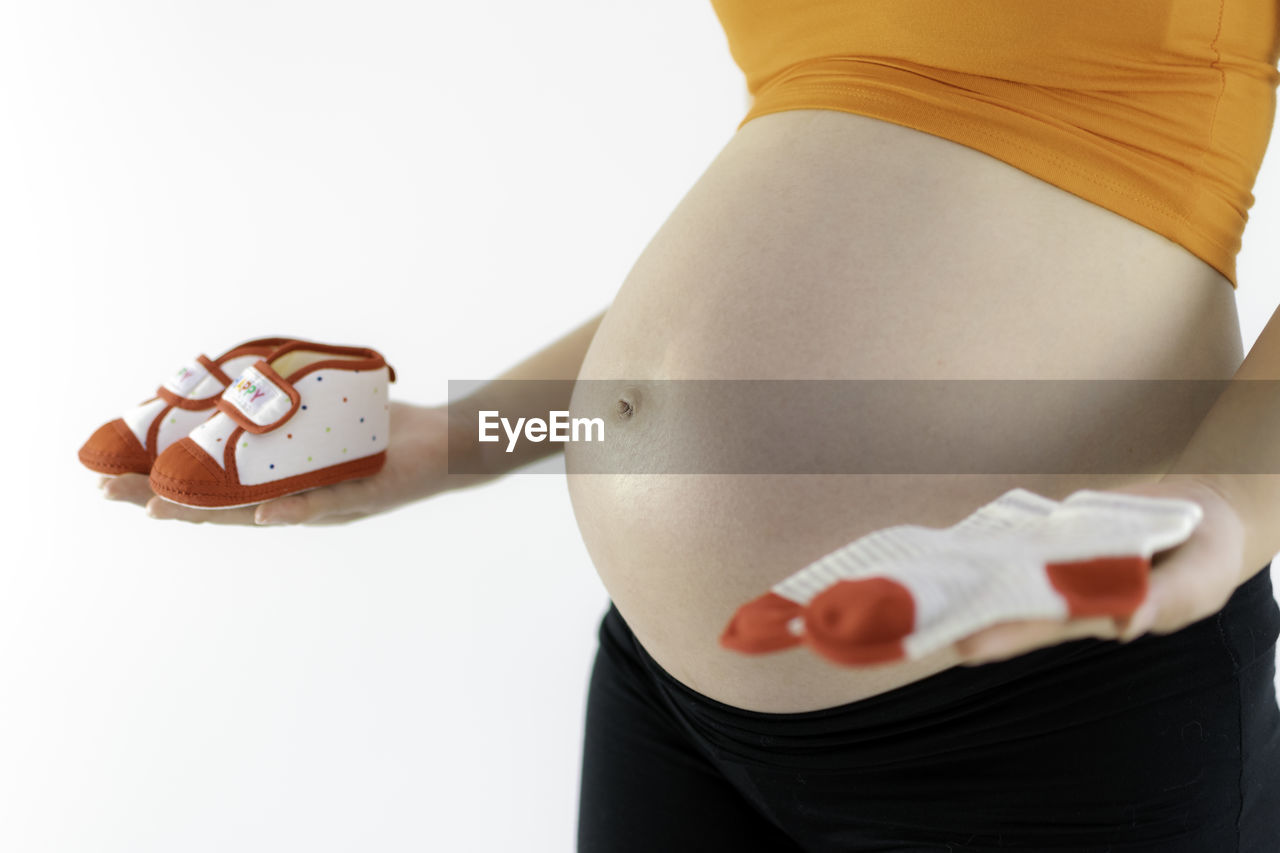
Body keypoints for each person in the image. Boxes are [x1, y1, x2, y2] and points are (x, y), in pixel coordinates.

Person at [101, 1, 1280, 849]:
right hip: (673, 700)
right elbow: (824, 215)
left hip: (1046, 702)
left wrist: (1232, 505)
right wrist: (449, 442)